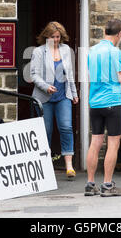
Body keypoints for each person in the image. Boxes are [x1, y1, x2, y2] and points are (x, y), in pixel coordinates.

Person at [85, 18, 121, 197]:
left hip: (94, 102)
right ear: (119, 34)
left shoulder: (91, 51)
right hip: (112, 100)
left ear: (105, 31)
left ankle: (90, 184)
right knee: (112, 143)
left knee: (95, 141)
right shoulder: (115, 51)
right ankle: (108, 185)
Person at [30, 21, 79, 179]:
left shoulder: (66, 50)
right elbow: (33, 75)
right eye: (53, 37)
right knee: (46, 131)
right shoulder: (39, 52)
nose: (56, 39)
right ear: (46, 36)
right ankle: (45, 166)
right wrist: (45, 86)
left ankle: (69, 166)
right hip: (44, 97)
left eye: (58, 37)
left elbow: (69, 74)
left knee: (66, 127)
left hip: (63, 96)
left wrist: (74, 93)